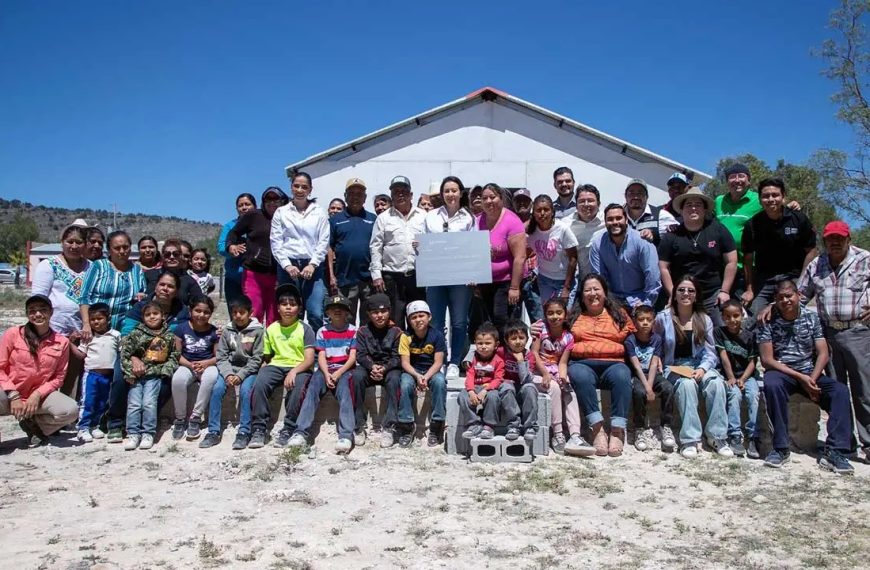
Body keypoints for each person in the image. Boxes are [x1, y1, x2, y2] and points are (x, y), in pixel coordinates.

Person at [758, 280, 854, 473]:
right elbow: (767, 360)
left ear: (798, 295)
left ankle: (835, 452)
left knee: (840, 392)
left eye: (789, 295)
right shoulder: (767, 320)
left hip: (810, 372)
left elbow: (823, 353)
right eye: (780, 297)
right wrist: (801, 379)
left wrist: (811, 378)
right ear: (775, 300)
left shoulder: (812, 318)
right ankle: (780, 448)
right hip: (782, 372)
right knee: (772, 384)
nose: (785, 300)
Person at [796, 220, 870, 461]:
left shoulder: (864, 259)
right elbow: (800, 294)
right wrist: (775, 306)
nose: (835, 242)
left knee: (864, 390)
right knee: (837, 390)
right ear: (825, 242)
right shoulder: (817, 265)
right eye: (830, 239)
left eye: (840, 238)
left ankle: (868, 443)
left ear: (849, 239)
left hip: (858, 332)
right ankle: (843, 443)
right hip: (827, 334)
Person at [107, 271, 190, 443]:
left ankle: (146, 424)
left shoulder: (181, 311)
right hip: (134, 354)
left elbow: (185, 333)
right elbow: (126, 336)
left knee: (166, 381)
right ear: (156, 286)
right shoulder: (141, 307)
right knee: (120, 377)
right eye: (162, 285)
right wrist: (133, 358)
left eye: (170, 286)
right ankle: (115, 422)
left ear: (176, 291)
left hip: (163, 358)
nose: (165, 289)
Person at [654, 276, 731, 459]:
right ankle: (689, 440)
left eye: (690, 290)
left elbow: (711, 352)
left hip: (699, 364)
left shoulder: (704, 319)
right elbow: (655, 344)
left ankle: (717, 437)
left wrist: (703, 369)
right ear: (674, 294)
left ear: (696, 295)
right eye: (681, 290)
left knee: (716, 384)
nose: (685, 294)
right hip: (674, 367)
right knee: (686, 385)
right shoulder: (663, 318)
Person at [567, 274, 636, 457]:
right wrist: (537, 327)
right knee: (579, 376)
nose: (592, 293)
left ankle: (617, 430)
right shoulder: (573, 316)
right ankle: (597, 428)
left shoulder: (619, 314)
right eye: (587, 290)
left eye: (596, 289)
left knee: (622, 375)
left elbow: (637, 335)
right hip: (582, 363)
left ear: (605, 293)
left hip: (613, 363)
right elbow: (554, 328)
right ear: (582, 295)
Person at [0, 294, 79, 446]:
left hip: (37, 395)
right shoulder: (13, 334)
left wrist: (37, 394)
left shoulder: (61, 342)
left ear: (51, 312)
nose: (37, 314)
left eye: (43, 310)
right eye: (32, 310)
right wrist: (13, 395)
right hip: (8, 391)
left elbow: (58, 377)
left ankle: (33, 426)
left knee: (70, 410)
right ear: (27, 314)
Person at [657, 187, 737, 327]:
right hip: (684, 295)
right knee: (676, 331)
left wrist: (724, 291)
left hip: (713, 294)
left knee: (722, 329)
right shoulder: (672, 236)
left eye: (698, 204)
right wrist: (673, 294)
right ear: (681, 210)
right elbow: (663, 267)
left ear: (705, 209)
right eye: (689, 205)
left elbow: (731, 261)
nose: (693, 208)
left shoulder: (718, 230)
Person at [288, 294, 358, 454]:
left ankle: (346, 435)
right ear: (328, 313)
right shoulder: (322, 331)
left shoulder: (353, 331)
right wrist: (326, 374)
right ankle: (300, 432)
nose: (337, 312)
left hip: (344, 369)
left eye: (342, 309)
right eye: (333, 309)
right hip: (325, 368)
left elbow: (352, 357)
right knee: (312, 389)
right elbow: (320, 355)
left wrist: (338, 373)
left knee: (346, 392)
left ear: (348, 312)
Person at [249, 284, 315, 449]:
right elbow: (267, 356)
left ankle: (289, 427)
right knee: (260, 382)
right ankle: (259, 428)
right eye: (284, 304)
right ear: (278, 308)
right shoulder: (272, 329)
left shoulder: (305, 329)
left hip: (299, 366)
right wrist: (262, 370)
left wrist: (294, 371)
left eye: (292, 305)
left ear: (299, 309)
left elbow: (309, 359)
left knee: (298, 387)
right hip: (276, 365)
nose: (288, 308)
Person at [31, 220, 92, 397]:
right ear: (62, 242)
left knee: (71, 376)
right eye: (70, 241)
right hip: (52, 332)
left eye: (79, 242)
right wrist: (45, 331)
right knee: (47, 375)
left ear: (85, 244)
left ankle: (66, 416)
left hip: (79, 332)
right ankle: (41, 416)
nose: (74, 246)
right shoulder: (49, 266)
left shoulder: (90, 268)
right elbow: (38, 301)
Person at [423, 176, 476, 376]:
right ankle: (441, 360)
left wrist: (474, 272)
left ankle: (455, 361)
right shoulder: (431, 216)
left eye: (454, 190)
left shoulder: (469, 218)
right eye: (447, 191)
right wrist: (419, 246)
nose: (450, 194)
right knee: (435, 320)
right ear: (442, 194)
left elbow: (473, 247)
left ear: (460, 193)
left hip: (461, 277)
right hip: (436, 275)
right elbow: (424, 242)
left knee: (459, 321)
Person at [741, 177, 817, 316]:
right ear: (759, 199)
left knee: (789, 314)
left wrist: (802, 281)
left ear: (783, 197)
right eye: (765, 196)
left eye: (775, 195)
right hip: (765, 281)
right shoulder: (752, 225)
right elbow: (747, 259)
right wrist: (749, 289)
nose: (771, 199)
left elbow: (811, 250)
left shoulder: (798, 219)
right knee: (755, 318)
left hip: (793, 278)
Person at [271, 171, 330, 333]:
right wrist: (287, 265)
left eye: (304, 187)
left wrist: (313, 264)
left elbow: (323, 241)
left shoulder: (319, 212)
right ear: (291, 188)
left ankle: (319, 353)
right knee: (290, 312)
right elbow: (276, 242)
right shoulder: (281, 212)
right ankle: (291, 351)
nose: (300, 190)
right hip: (288, 267)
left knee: (315, 312)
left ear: (310, 190)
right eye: (296, 186)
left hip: (313, 267)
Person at [205, 294, 264, 450]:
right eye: (234, 312)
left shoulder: (258, 331)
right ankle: (213, 431)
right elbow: (221, 356)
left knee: (246, 391)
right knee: (217, 389)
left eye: (242, 312)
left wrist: (240, 375)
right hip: (229, 369)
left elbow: (257, 359)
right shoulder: (227, 331)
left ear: (250, 313)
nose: (238, 316)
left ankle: (244, 431)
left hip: (249, 370)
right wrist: (228, 374)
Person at [532, 298, 589, 456]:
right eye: (550, 313)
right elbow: (534, 353)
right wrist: (545, 373)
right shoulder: (540, 329)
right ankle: (558, 434)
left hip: (555, 370)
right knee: (555, 388)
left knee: (568, 390)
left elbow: (562, 363)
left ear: (565, 314)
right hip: (536, 372)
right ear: (545, 315)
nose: (554, 316)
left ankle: (575, 435)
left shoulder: (568, 337)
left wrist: (563, 377)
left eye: (558, 312)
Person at [369, 175, 427, 326]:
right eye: (396, 192)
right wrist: (376, 275)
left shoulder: (424, 216)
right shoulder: (383, 218)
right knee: (396, 319)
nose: (400, 194)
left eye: (404, 191)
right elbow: (375, 247)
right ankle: (398, 350)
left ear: (411, 195)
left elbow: (434, 243)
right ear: (392, 196)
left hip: (418, 276)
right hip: (392, 277)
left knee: (418, 318)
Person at [227, 186, 289, 325]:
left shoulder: (289, 218)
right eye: (268, 198)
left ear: (283, 201)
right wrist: (231, 245)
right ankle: (251, 346)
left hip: (279, 274)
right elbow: (233, 233)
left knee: (275, 318)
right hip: (253, 274)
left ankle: (271, 347)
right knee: (254, 315)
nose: (272, 202)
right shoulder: (254, 215)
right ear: (263, 201)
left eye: (276, 199)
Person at [121, 301, 178, 451]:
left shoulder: (169, 336)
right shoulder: (136, 334)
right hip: (136, 376)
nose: (152, 317)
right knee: (134, 404)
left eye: (155, 314)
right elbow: (126, 355)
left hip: (155, 376)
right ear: (143, 318)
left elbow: (173, 355)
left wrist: (166, 370)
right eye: (148, 315)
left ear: (162, 316)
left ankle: (148, 433)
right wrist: (129, 372)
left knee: (149, 403)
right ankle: (133, 434)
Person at [352, 293, 403, 448]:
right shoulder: (362, 331)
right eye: (375, 312)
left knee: (395, 379)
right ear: (368, 314)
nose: (379, 316)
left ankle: (389, 427)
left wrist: (385, 368)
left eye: (383, 311)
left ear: (389, 311)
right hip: (369, 368)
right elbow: (360, 355)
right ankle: (358, 426)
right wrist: (372, 366)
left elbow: (397, 357)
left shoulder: (397, 332)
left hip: (389, 369)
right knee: (356, 376)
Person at [475, 183, 527, 333]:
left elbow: (520, 257)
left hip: (506, 281)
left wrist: (515, 287)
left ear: (501, 198)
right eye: (485, 198)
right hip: (485, 281)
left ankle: (508, 353)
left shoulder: (512, 221)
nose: (489, 201)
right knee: (488, 321)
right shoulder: (477, 221)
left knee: (501, 318)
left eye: (493, 197)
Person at [590, 204, 661, 310]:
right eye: (610, 219)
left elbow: (652, 276)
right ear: (605, 222)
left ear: (626, 220)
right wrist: (607, 304)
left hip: (639, 300)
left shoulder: (642, 242)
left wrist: (646, 304)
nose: (614, 222)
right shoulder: (598, 244)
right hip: (613, 302)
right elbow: (599, 278)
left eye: (618, 218)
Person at [397, 301, 447, 448]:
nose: (418, 320)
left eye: (421, 315)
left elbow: (438, 362)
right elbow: (405, 363)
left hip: (431, 370)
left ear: (429, 317)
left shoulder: (437, 335)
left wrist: (426, 376)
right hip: (412, 370)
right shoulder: (405, 337)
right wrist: (418, 376)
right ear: (409, 320)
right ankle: (406, 426)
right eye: (413, 317)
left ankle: (436, 426)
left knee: (439, 382)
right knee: (405, 384)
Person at [625, 304, 675, 452]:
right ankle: (639, 428)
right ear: (635, 322)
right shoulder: (630, 341)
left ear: (654, 321)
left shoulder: (657, 339)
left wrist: (651, 385)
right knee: (639, 393)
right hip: (637, 375)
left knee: (668, 388)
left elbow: (654, 364)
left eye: (649, 319)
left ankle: (666, 426)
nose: (645, 322)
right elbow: (636, 366)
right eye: (641, 319)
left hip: (653, 374)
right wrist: (647, 388)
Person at [327, 178, 377, 325]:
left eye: (359, 193)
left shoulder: (373, 219)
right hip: (345, 279)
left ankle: (364, 348)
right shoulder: (335, 220)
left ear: (365, 198)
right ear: (345, 196)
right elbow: (329, 248)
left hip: (368, 279)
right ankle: (348, 348)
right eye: (352, 193)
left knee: (368, 321)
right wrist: (331, 276)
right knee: (345, 319)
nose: (356, 196)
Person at [170, 295, 220, 441]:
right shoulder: (181, 329)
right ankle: (180, 418)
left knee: (211, 377)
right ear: (190, 311)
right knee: (178, 379)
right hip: (187, 364)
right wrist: (190, 365)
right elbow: (177, 355)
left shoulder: (214, 331)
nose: (201, 315)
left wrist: (205, 364)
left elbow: (218, 356)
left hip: (207, 364)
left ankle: (195, 417)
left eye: (206, 312)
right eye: (197, 311)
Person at [79, 230, 146, 339]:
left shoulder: (137, 270)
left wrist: (142, 297)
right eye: (117, 248)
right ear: (109, 250)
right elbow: (84, 297)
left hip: (127, 333)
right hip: (98, 331)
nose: (122, 251)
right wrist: (86, 324)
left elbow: (142, 298)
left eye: (126, 247)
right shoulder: (98, 266)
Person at [716, 300, 760, 459]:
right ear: (722, 317)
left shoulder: (751, 336)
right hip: (730, 376)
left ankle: (753, 436)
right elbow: (724, 356)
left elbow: (753, 361)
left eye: (736, 316)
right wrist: (732, 377)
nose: (732, 320)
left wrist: (743, 378)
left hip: (748, 376)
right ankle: (734, 435)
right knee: (734, 395)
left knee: (753, 395)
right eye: (727, 316)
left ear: (742, 315)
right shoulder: (719, 333)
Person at [74, 303, 120, 443]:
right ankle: (83, 427)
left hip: (108, 376)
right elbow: (81, 354)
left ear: (108, 318)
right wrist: (69, 344)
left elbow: (120, 351)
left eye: (99, 318)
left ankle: (95, 425)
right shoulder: (88, 337)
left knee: (102, 402)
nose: (96, 322)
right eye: (92, 319)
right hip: (92, 375)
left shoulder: (115, 335)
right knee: (88, 401)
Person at [713, 163, 760, 299]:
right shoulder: (719, 201)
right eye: (732, 177)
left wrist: (793, 205)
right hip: (723, 268)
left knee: (744, 312)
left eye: (741, 176)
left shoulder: (758, 199)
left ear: (749, 180)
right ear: (727, 182)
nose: (737, 180)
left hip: (747, 270)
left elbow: (778, 208)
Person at [527, 194, 578, 303]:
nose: (542, 213)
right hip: (544, 279)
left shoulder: (562, 229)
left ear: (552, 212)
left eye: (546, 210)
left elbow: (573, 259)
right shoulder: (531, 231)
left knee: (564, 314)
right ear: (533, 213)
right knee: (549, 314)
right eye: (538, 210)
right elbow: (525, 252)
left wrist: (566, 288)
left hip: (564, 280)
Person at [459, 323, 504, 440]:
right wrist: (471, 391)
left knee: (494, 397)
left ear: (496, 345)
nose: (483, 346)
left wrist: (486, 390)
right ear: (475, 343)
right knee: (462, 396)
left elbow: (498, 379)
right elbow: (469, 376)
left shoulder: (498, 361)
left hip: (490, 388)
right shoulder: (472, 359)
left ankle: (489, 426)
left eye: (488, 343)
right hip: (475, 387)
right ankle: (474, 424)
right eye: (480, 343)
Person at [497, 320, 539, 443]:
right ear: (506, 340)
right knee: (506, 387)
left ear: (527, 339)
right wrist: (467, 361)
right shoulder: (501, 351)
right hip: (507, 386)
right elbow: (479, 350)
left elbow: (526, 380)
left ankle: (529, 426)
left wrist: (521, 362)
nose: (518, 341)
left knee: (530, 388)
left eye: (521, 338)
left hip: (522, 386)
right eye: (513, 338)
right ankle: (513, 425)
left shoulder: (529, 355)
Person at [559, 183, 605, 295]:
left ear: (598, 203)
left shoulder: (607, 221)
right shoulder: (566, 224)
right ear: (576, 204)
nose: (586, 204)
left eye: (590, 200)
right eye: (582, 201)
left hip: (605, 283)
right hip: (576, 284)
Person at [217, 193, 257, 312]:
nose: (244, 207)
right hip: (233, 279)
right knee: (235, 314)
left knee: (253, 313)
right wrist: (231, 249)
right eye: (240, 205)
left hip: (256, 278)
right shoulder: (230, 226)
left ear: (254, 206)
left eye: (247, 204)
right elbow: (220, 247)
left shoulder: (262, 224)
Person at [144, 239, 201, 306]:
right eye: (167, 254)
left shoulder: (189, 281)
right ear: (162, 257)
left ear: (181, 256)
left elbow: (199, 303)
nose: (171, 257)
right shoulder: (149, 275)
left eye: (175, 254)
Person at [624, 178, 678, 246]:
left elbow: (680, 237)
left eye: (640, 193)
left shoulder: (660, 215)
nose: (636, 197)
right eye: (631, 193)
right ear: (625, 196)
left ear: (647, 197)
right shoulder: (618, 217)